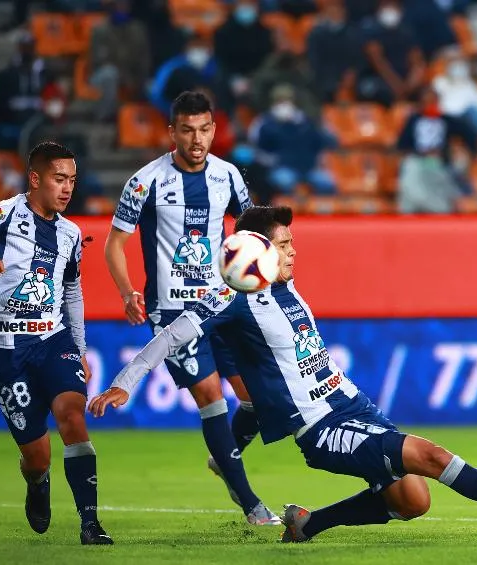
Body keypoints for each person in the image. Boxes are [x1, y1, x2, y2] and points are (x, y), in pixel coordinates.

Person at [88, 206, 477, 541]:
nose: (293, 252)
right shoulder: (235, 300)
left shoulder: (289, 288)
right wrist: (124, 382)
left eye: (291, 242)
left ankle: (308, 525)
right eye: (283, 245)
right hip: (321, 428)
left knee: (414, 503)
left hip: (353, 404)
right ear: (259, 252)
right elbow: (173, 335)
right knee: (432, 456)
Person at [104, 91, 279, 525]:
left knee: (257, 398)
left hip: (223, 304)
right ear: (172, 132)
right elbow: (114, 245)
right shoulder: (145, 182)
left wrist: (265, 269)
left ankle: (224, 457)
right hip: (171, 310)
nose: (196, 139)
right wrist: (128, 292)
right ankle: (252, 504)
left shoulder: (229, 176)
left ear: (214, 130)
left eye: (203, 130)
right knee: (210, 396)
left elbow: (252, 230)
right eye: (187, 130)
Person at [0, 141, 112, 545]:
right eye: (59, 179)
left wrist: (79, 347)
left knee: (73, 414)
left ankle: (91, 524)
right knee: (37, 454)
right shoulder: (2, 213)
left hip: (53, 337)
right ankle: (37, 479)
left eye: (72, 181)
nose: (67, 189)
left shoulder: (71, 232)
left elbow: (72, 290)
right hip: (7, 347)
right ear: (35, 178)